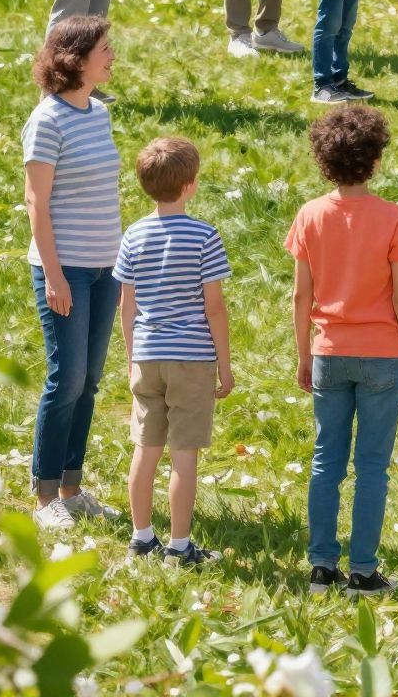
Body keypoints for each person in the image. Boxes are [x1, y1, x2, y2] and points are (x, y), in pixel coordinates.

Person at [288, 104, 398, 597]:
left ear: (323, 160)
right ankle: (363, 571)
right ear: (375, 158)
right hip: (383, 355)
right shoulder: (394, 218)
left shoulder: (310, 215)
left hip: (329, 351)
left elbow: (301, 295)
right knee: (371, 466)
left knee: (326, 459)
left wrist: (304, 354)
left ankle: (321, 567)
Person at [22, 17, 122, 530]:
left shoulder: (99, 113)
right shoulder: (47, 121)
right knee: (67, 379)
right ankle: (45, 497)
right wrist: (55, 276)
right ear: (75, 60)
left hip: (106, 269)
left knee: (90, 382)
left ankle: (71, 487)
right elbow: (36, 203)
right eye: (104, 49)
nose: (112, 55)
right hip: (66, 271)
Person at [115, 136, 233, 566]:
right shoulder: (204, 236)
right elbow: (214, 307)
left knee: (145, 449)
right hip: (192, 359)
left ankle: (142, 538)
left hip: (147, 355)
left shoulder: (133, 235)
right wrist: (224, 365)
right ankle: (180, 547)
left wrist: (132, 358)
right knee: (184, 455)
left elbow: (127, 305)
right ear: (190, 185)